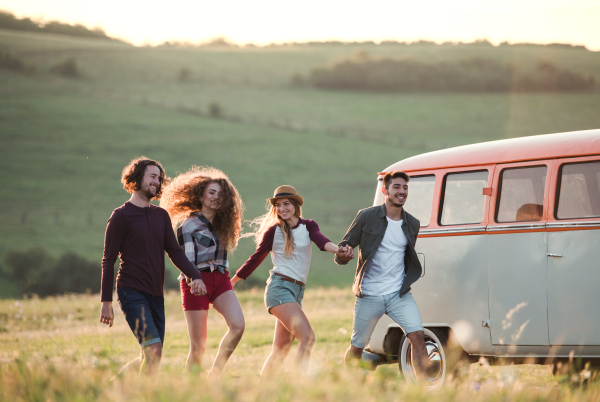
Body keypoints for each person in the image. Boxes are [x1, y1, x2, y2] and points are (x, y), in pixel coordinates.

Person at [100, 157, 206, 376]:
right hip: (131, 290)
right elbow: (108, 260)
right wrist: (106, 301)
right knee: (154, 350)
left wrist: (195, 275)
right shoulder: (120, 216)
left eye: (159, 178)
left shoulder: (161, 216)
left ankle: (112, 388)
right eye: (152, 177)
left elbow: (174, 251)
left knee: (150, 353)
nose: (157, 182)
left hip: (156, 294)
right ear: (137, 178)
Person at [231, 185, 352, 375]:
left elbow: (321, 241)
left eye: (286, 203)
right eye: (278, 205)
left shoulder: (308, 226)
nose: (282, 208)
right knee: (308, 338)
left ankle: (264, 389)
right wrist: (233, 282)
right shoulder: (273, 232)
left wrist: (339, 250)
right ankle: (299, 385)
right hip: (279, 289)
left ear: (295, 205)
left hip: (295, 292)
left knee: (280, 350)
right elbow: (255, 259)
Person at [335, 171, 429, 380]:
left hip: (399, 294)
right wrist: (344, 254)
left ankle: (424, 391)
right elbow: (345, 246)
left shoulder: (412, 223)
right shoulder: (366, 216)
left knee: (417, 336)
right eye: (396, 187)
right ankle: (347, 387)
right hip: (369, 294)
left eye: (405, 187)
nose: (402, 191)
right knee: (357, 347)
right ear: (385, 190)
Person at [160, 166, 245, 376]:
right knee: (198, 347)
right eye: (211, 192)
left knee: (238, 326)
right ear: (201, 195)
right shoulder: (188, 226)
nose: (216, 197)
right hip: (195, 281)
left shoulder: (225, 223)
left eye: (220, 194)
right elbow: (186, 260)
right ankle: (191, 390)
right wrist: (194, 279)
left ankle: (215, 375)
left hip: (220, 279)